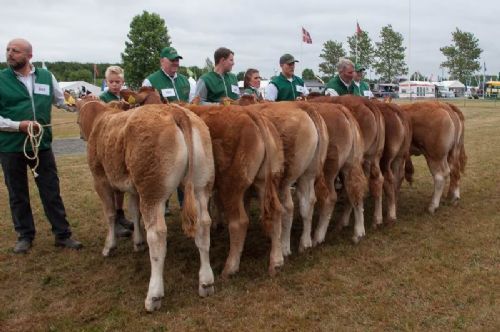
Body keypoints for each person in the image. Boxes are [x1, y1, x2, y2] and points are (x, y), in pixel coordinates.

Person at [0, 38, 82, 253]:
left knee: (51, 190)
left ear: (29, 55)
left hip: (42, 145)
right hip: (11, 147)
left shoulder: (46, 76)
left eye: (15, 51)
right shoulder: (1, 79)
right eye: (8, 50)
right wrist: (19, 125)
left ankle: (62, 235)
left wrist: (81, 104)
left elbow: (60, 100)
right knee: (18, 194)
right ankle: (25, 235)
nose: (9, 54)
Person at [143, 47, 192, 212]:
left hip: (184, 131)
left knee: (184, 166)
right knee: (163, 168)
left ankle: (185, 203)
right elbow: (145, 111)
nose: (176, 63)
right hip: (162, 133)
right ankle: (162, 203)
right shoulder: (150, 82)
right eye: (172, 60)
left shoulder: (186, 81)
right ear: (162, 61)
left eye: (177, 59)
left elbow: (193, 105)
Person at [97, 66, 134, 237]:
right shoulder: (102, 98)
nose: (114, 85)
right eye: (111, 82)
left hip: (121, 144)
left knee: (120, 183)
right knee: (110, 183)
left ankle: (120, 214)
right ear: (106, 82)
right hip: (107, 144)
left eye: (117, 82)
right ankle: (113, 218)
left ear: (122, 82)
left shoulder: (126, 97)